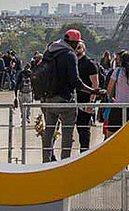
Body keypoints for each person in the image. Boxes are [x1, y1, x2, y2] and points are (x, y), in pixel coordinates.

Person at [41, 29, 102, 161]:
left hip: (48, 98)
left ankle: (46, 160)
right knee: (67, 134)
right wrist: (92, 91)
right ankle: (65, 162)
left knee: (49, 131)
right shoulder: (69, 55)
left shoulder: (49, 52)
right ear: (73, 43)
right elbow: (75, 81)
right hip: (65, 98)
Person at [74, 42, 100, 152]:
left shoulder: (89, 64)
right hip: (73, 101)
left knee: (83, 130)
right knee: (75, 130)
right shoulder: (72, 63)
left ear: (84, 49)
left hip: (85, 102)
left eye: (79, 47)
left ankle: (84, 152)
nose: (76, 49)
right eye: (75, 47)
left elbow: (95, 84)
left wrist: (91, 103)